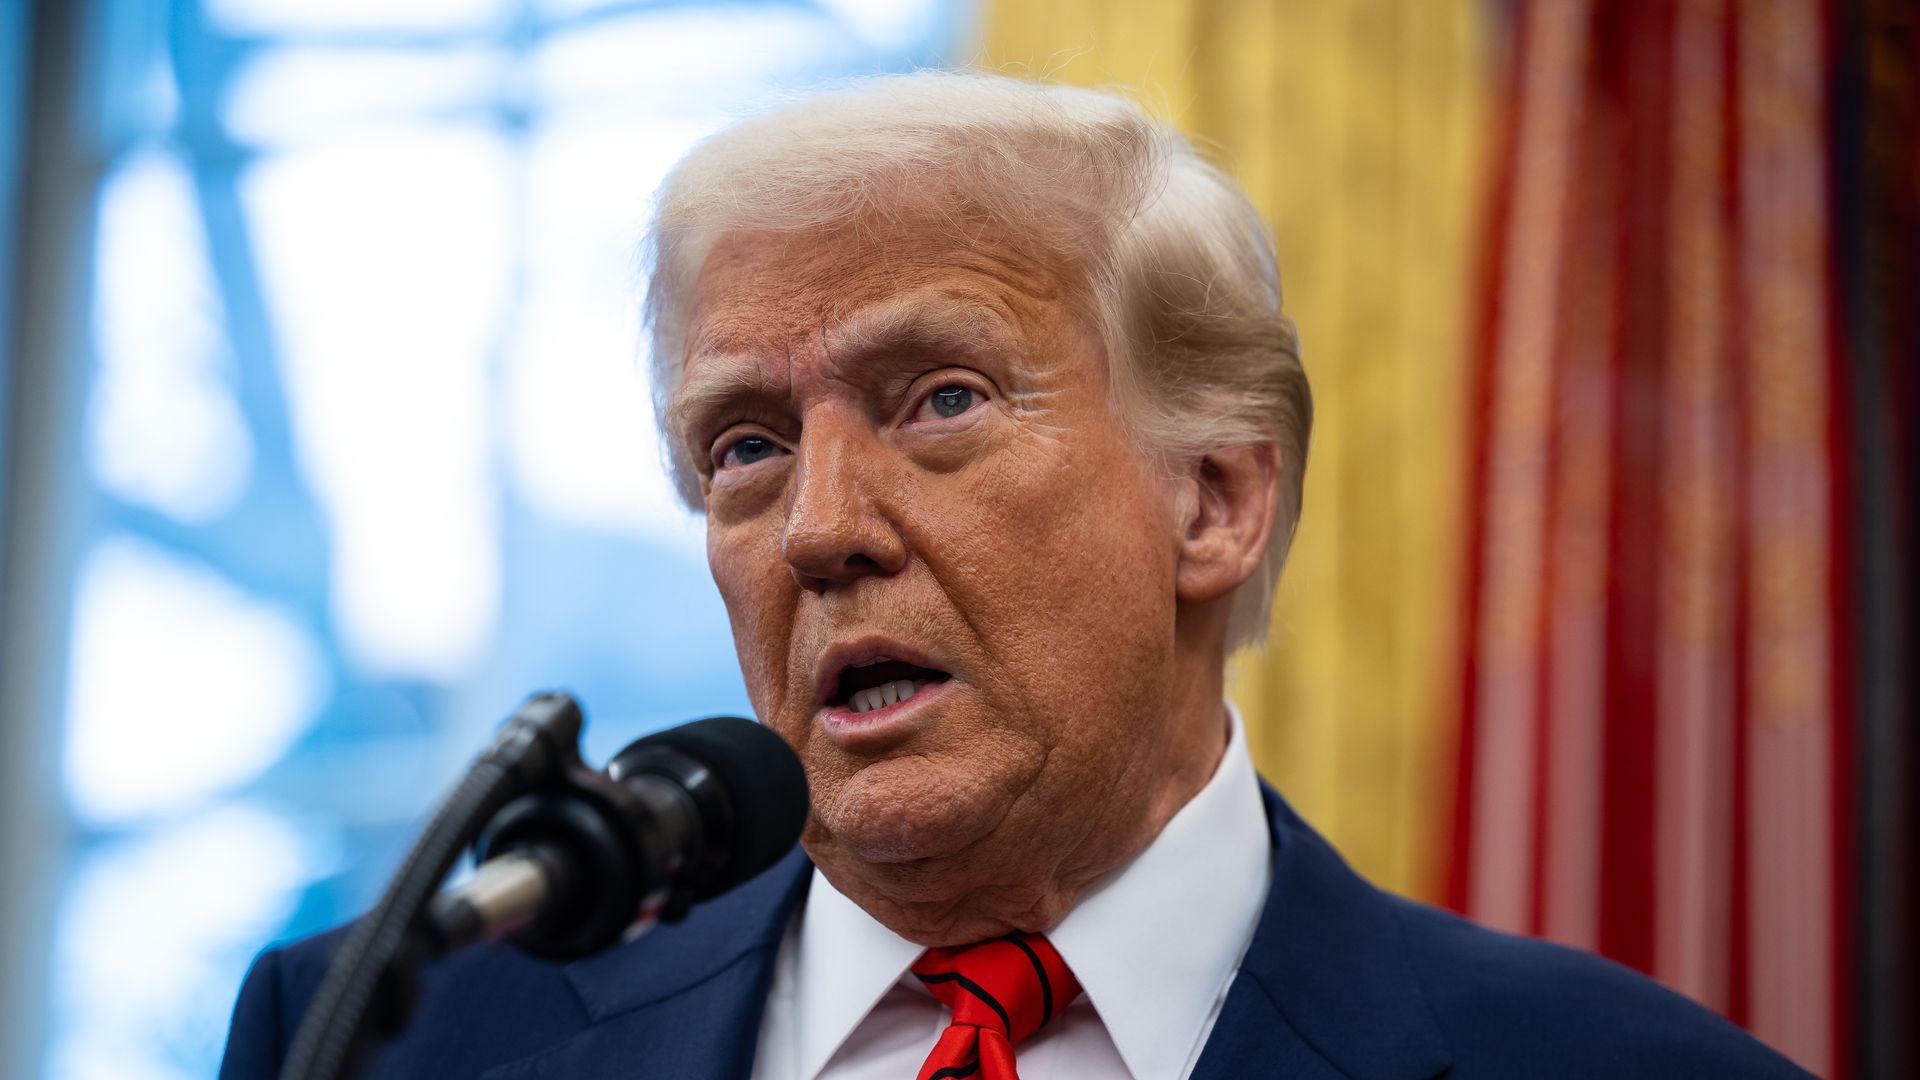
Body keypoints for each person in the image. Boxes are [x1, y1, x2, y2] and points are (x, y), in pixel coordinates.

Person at [220, 72, 1809, 1080]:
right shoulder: (376, 1037)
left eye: (942, 401)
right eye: (746, 444)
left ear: (1214, 501)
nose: (820, 528)